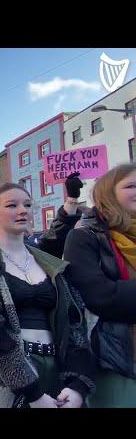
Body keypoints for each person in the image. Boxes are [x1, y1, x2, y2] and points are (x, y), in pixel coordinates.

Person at [0, 182, 95, 408]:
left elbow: (74, 324)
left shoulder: (49, 263)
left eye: (27, 204)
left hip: (54, 371)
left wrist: (78, 385)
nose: (22, 210)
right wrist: (32, 392)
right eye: (11, 205)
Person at [63, 163, 136, 407]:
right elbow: (100, 297)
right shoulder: (84, 236)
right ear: (108, 193)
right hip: (116, 357)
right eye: (131, 186)